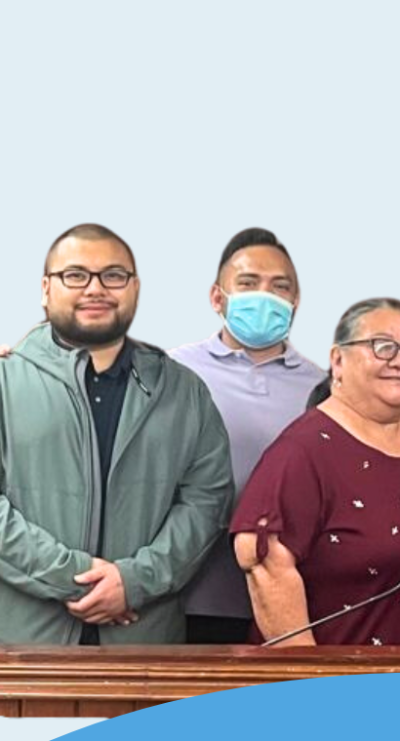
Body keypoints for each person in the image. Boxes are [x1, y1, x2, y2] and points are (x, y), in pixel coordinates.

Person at [0, 224, 233, 644]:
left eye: (113, 275)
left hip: (146, 643)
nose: (96, 288)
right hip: (24, 647)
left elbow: (207, 500)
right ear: (45, 288)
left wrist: (134, 581)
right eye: (75, 275)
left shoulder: (183, 390)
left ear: (135, 288)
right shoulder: (5, 382)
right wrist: (76, 579)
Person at [232, 298, 400, 646]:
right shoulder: (303, 451)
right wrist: (306, 680)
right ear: (338, 360)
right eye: (382, 347)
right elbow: (263, 562)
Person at [168, 228, 326, 644]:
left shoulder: (326, 387)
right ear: (217, 297)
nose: (265, 296)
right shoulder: (171, 373)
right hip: (190, 596)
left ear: (295, 302)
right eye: (249, 283)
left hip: (289, 598)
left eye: (280, 287)